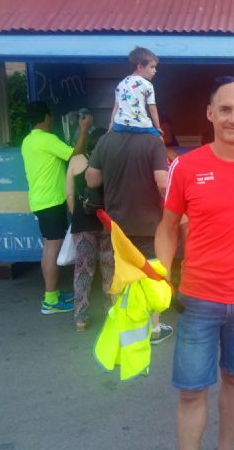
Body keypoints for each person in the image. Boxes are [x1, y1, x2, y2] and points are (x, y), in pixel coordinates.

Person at [155, 76, 234, 450]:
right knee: (191, 391)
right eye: (225, 109)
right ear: (210, 114)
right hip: (198, 298)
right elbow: (167, 228)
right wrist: (161, 274)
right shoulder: (186, 167)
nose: (233, 118)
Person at [86, 115, 173, 344]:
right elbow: (163, 182)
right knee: (151, 276)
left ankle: (123, 330)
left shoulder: (106, 140)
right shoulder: (153, 142)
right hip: (149, 225)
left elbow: (91, 179)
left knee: (119, 277)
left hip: (116, 227)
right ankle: (154, 330)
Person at [21, 101, 90, 314]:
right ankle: (50, 301)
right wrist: (84, 129)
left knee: (48, 248)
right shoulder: (47, 139)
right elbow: (75, 154)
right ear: (46, 117)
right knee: (52, 249)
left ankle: (52, 294)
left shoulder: (28, 141)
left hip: (40, 200)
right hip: (51, 202)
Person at [65, 128, 114, 331]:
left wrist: (78, 214)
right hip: (108, 222)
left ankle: (81, 318)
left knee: (83, 270)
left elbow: (69, 194)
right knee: (110, 269)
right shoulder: (112, 161)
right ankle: (111, 314)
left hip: (83, 224)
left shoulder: (76, 160)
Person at [108, 46, 163, 138]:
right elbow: (152, 107)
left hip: (120, 125)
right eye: (152, 67)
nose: (155, 70)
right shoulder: (147, 84)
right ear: (140, 67)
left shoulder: (121, 84)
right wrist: (158, 127)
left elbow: (116, 107)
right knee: (160, 140)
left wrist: (111, 124)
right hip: (140, 125)